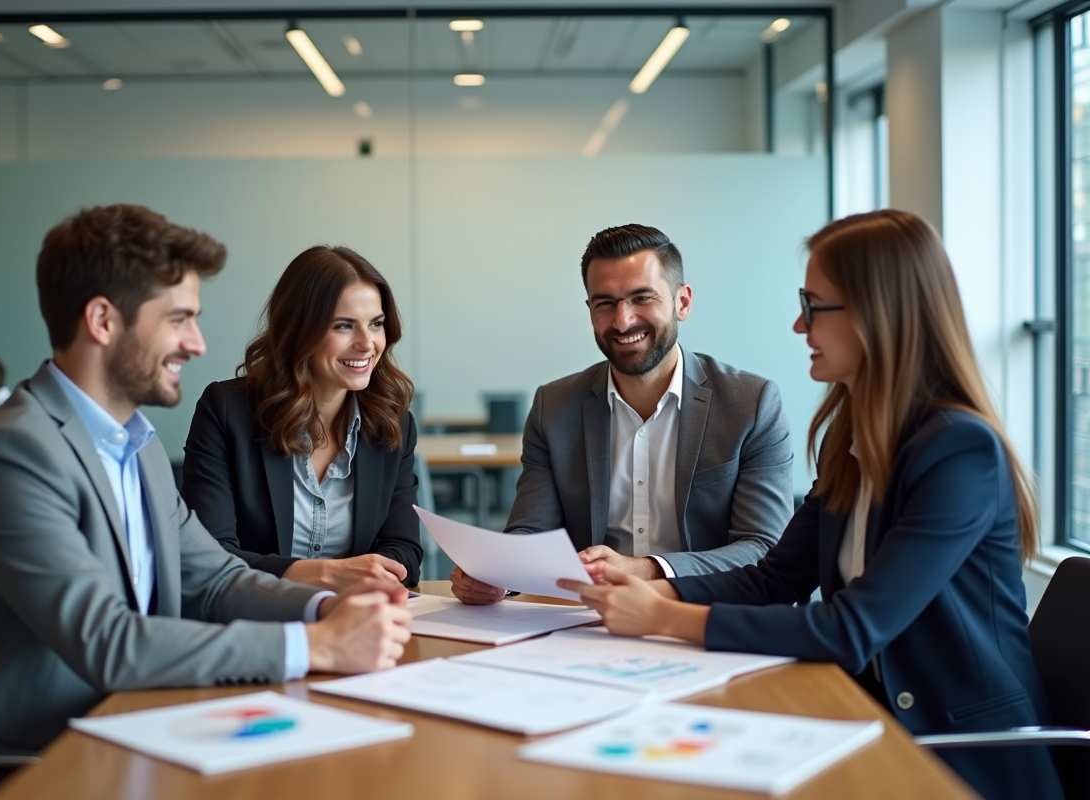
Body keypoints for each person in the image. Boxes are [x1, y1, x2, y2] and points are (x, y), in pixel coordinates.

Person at [558, 210, 1063, 800]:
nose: (800, 325)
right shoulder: (854, 437)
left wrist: (664, 617)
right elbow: (776, 577)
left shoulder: (958, 450)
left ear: (882, 315)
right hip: (870, 719)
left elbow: (852, 629)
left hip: (963, 756)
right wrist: (649, 588)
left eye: (815, 306)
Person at [0, 205, 411, 800]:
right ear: (102, 319)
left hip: (135, 732)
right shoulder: (16, 454)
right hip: (34, 765)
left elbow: (215, 578)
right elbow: (109, 640)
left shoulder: (135, 442)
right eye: (178, 319)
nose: (196, 343)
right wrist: (315, 645)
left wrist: (324, 611)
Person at [452, 224, 794, 604]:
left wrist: (647, 568)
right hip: (591, 624)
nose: (622, 320)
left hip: (706, 615)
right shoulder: (555, 407)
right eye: (605, 303)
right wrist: (500, 573)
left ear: (682, 302)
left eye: (641, 298)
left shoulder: (752, 403)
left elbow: (763, 547)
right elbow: (533, 531)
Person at [181, 246, 422, 592]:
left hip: (357, 623)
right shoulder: (226, 411)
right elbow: (207, 555)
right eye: (343, 326)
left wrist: (374, 577)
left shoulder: (393, 423)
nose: (367, 344)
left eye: (376, 324)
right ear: (300, 330)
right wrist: (326, 575)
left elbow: (405, 549)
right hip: (256, 624)